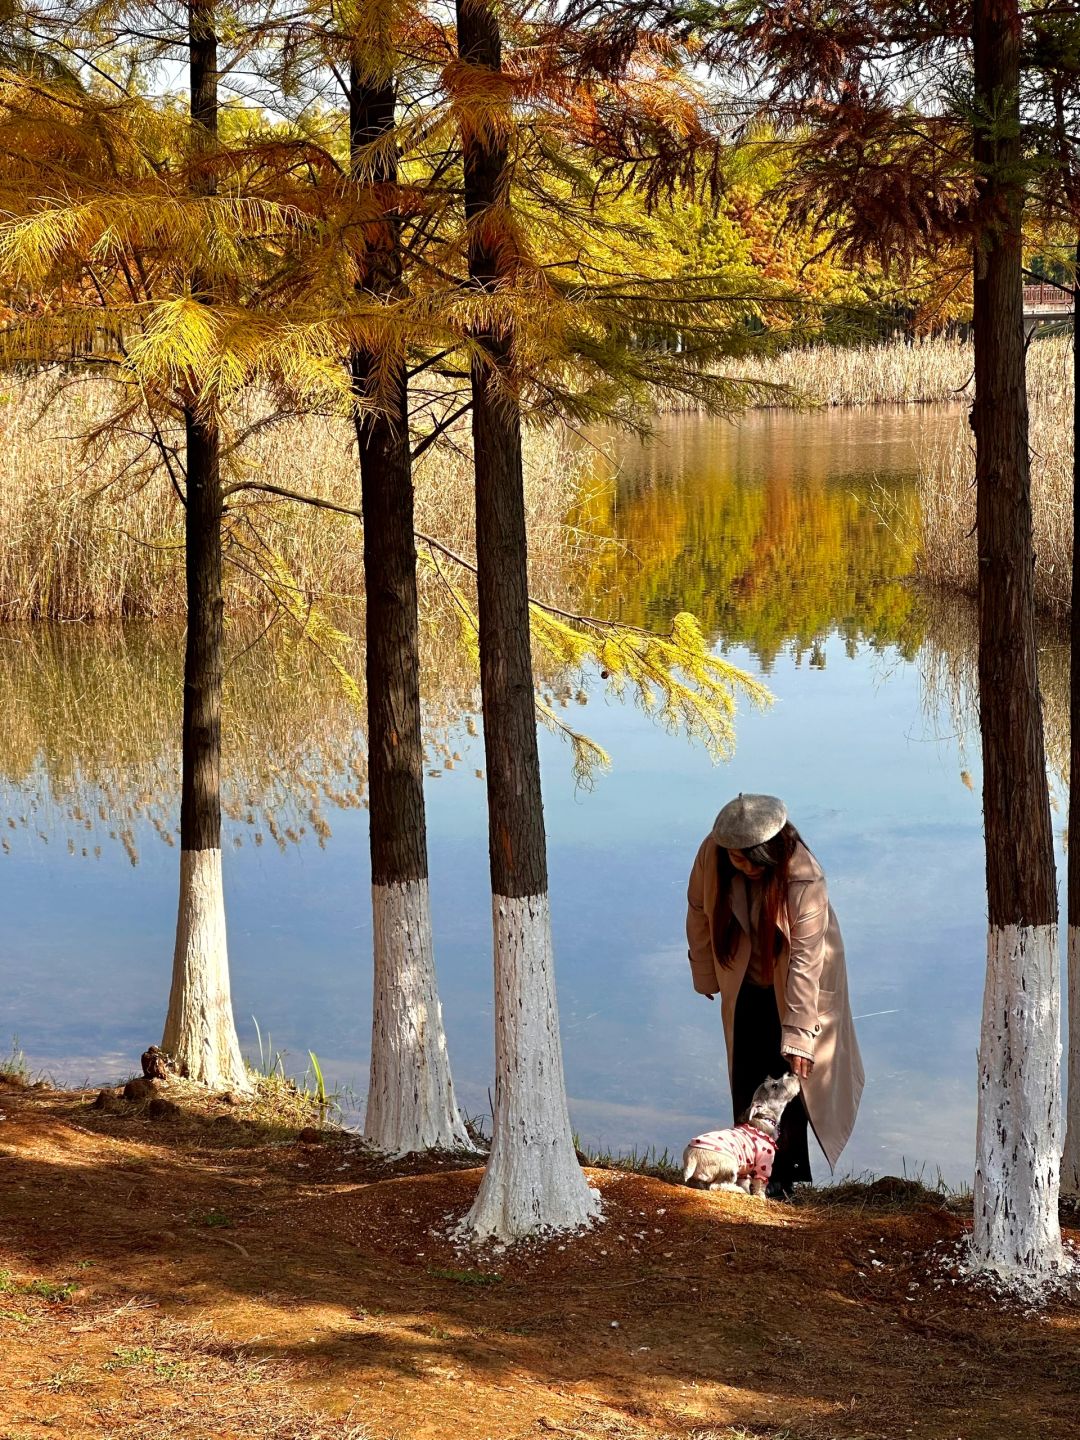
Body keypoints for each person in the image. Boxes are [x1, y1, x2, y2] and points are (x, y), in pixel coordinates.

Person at [686, 793, 863, 1195]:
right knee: (746, 1074)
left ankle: (784, 1179)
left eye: (751, 858)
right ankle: (744, 1172)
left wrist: (799, 1035)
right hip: (744, 980)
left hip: (795, 984)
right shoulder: (712, 853)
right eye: (736, 858)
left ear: (771, 851)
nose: (743, 865)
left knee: (791, 1079)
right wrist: (705, 973)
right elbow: (698, 909)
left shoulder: (804, 876)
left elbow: (805, 960)